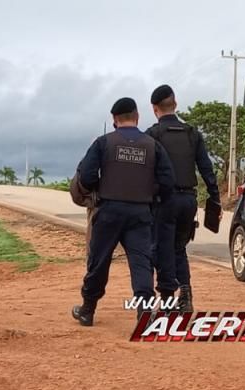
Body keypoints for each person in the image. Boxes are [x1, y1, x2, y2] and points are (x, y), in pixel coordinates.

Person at [71, 97, 175, 327]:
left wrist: (98, 189)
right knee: (141, 264)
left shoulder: (103, 143)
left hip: (108, 211)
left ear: (115, 120)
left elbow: (86, 176)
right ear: (137, 117)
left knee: (99, 261)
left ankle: (87, 310)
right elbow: (168, 181)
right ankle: (145, 315)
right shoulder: (152, 145)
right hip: (140, 213)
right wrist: (151, 197)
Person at [146, 85, 220, 313]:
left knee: (162, 248)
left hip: (163, 201)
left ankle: (168, 298)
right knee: (179, 247)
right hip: (189, 200)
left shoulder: (152, 135)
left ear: (154, 109)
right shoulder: (192, 133)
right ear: (175, 105)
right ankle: (185, 294)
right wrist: (214, 198)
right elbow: (206, 168)